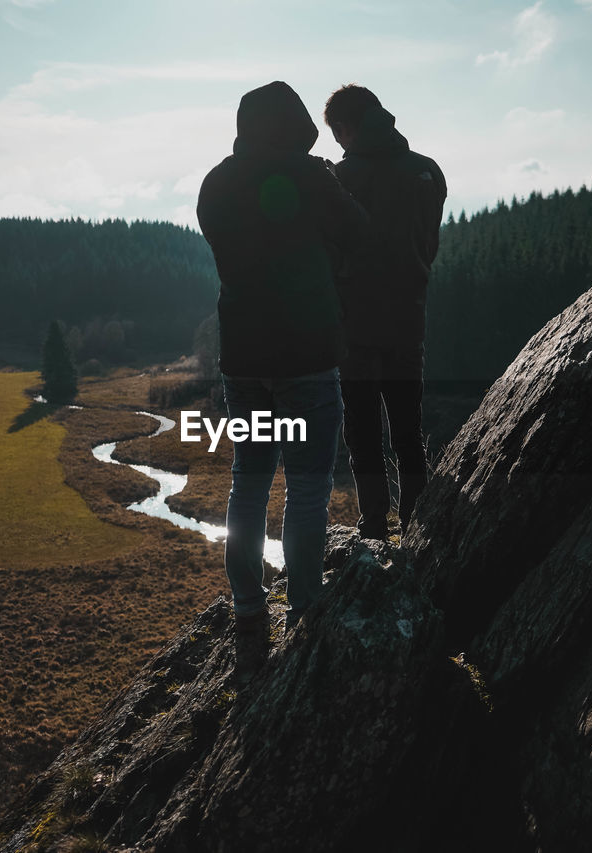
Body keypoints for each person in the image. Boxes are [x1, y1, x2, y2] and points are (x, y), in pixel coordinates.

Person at [196, 81, 372, 647]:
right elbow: (360, 236)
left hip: (243, 361)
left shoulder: (215, 183)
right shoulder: (312, 176)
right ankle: (304, 613)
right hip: (308, 356)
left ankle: (248, 611)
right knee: (307, 489)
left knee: (247, 484)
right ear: (295, 123)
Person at [322, 84, 447, 541]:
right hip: (408, 316)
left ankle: (374, 525)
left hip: (355, 325)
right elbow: (427, 245)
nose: (337, 143)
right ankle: (417, 524)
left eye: (336, 133)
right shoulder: (428, 172)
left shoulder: (341, 177)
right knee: (408, 428)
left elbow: (330, 249)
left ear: (347, 128)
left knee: (363, 431)